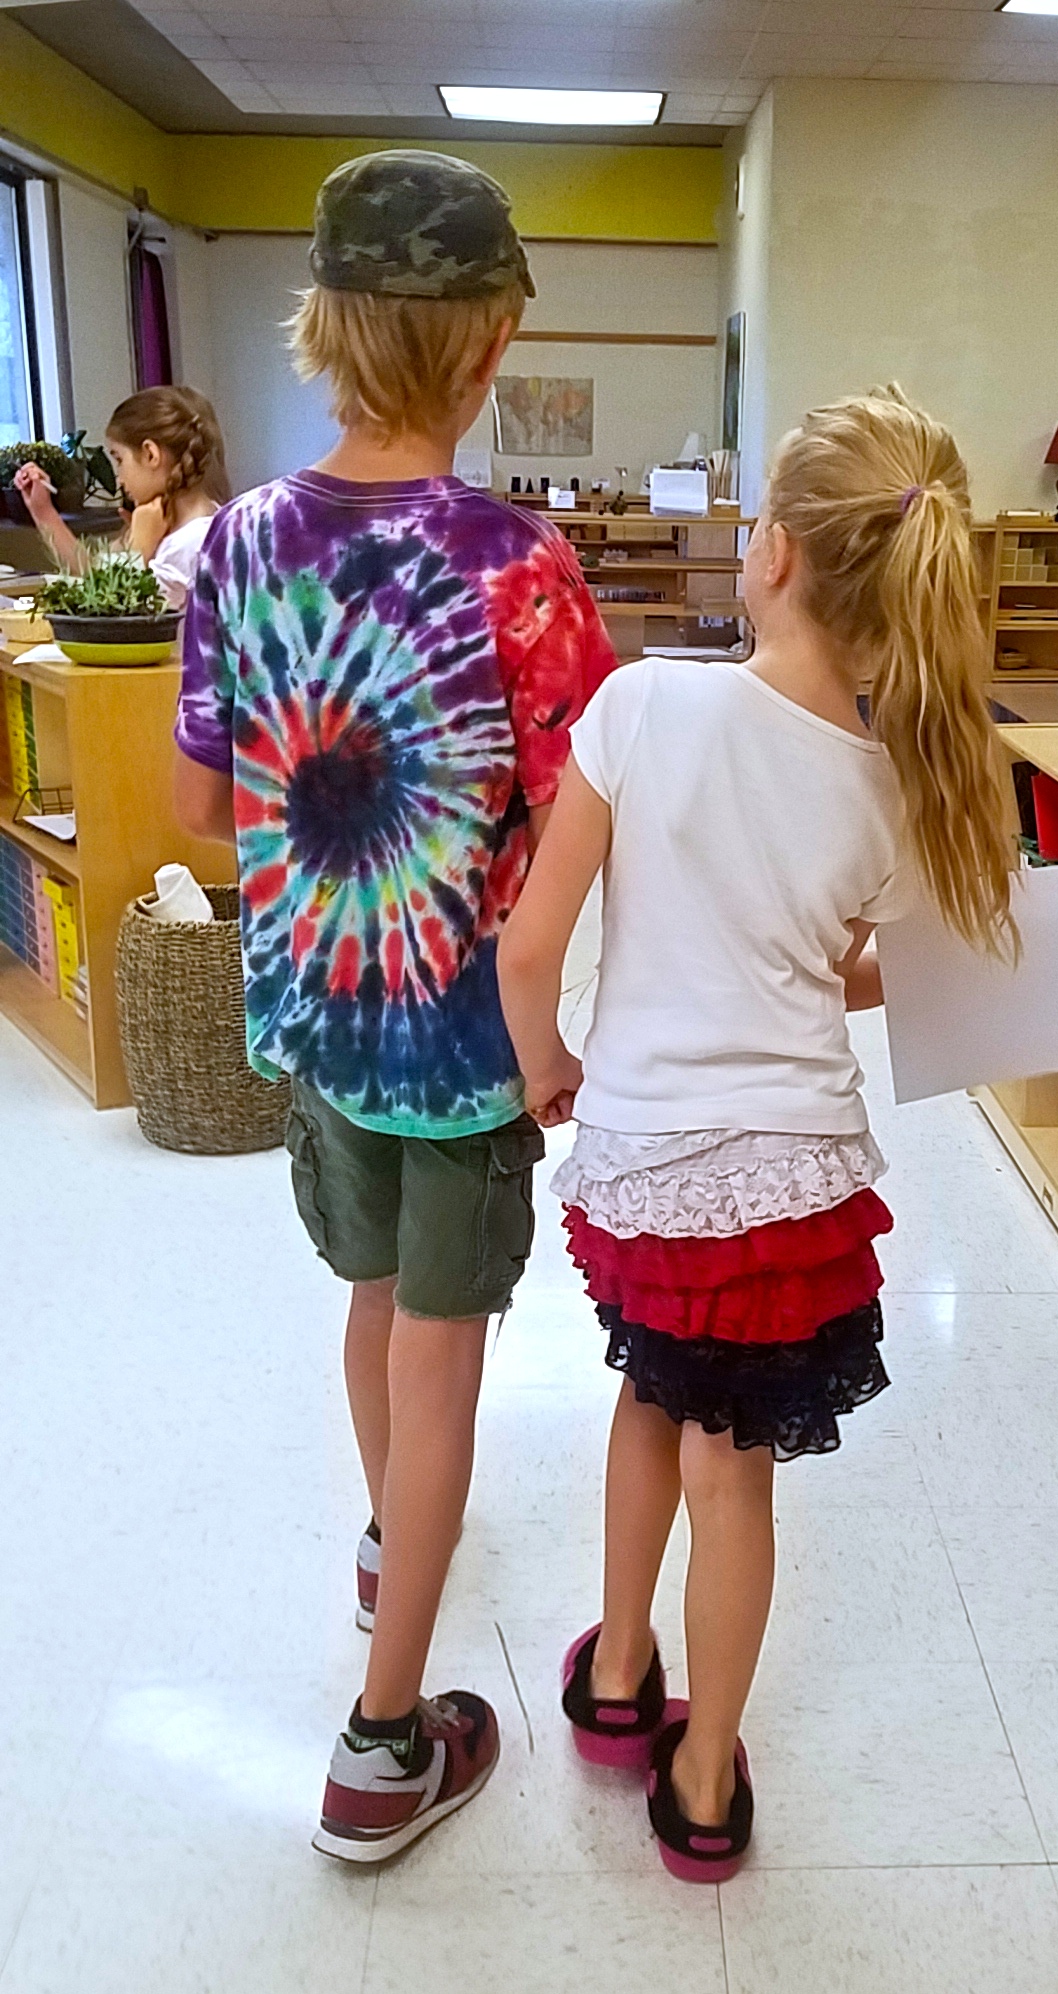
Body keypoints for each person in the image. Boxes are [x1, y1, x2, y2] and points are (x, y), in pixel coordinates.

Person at [497, 387, 1018, 1883]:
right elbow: (862, 972)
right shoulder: (891, 783)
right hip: (790, 1190)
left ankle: (616, 1678)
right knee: (736, 1469)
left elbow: (529, 949)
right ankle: (706, 1776)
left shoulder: (641, 707)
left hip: (643, 1170)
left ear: (771, 549)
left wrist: (548, 1069)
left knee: (642, 1398)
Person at [171, 151, 616, 1864]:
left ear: (323, 326)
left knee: (370, 1302)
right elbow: (587, 821)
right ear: (492, 342)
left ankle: (388, 1535)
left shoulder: (236, 542)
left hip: (315, 1020)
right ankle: (380, 1741)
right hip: (461, 1048)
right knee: (446, 1358)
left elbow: (204, 806)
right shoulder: (522, 567)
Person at [14, 386, 230, 608]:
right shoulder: (164, 525)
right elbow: (93, 576)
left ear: (150, 454)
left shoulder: (190, 544)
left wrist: (139, 550)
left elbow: (114, 616)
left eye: (119, 459)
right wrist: (43, 512)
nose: (119, 479)